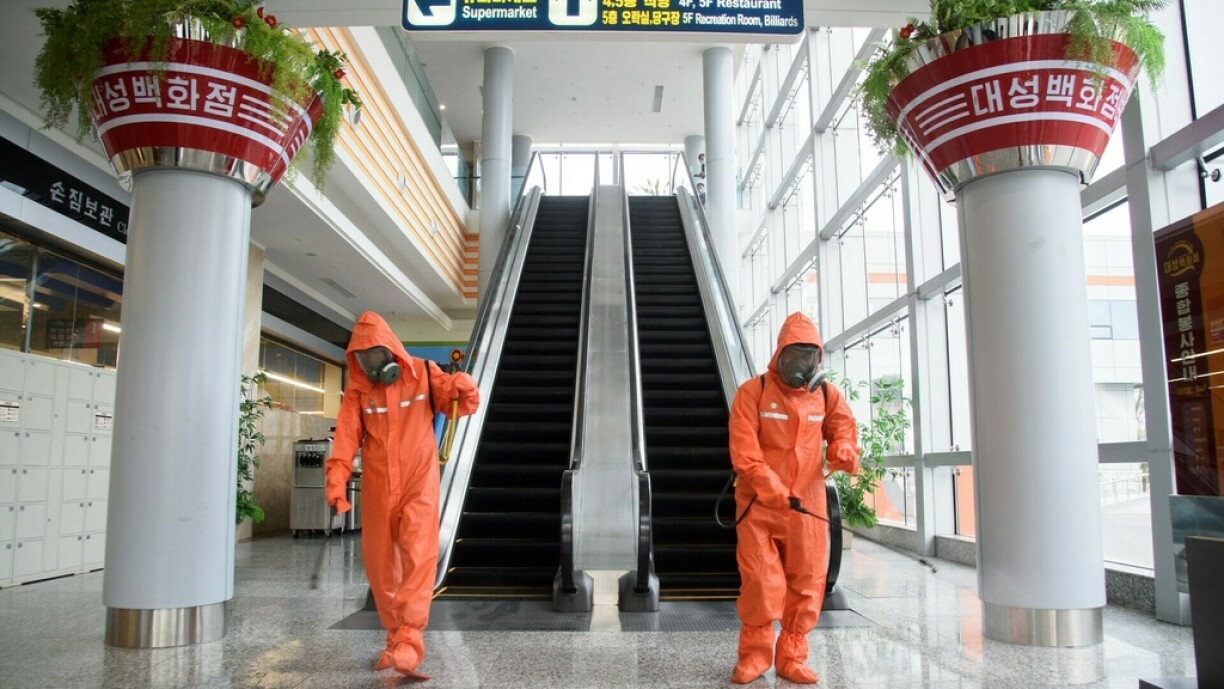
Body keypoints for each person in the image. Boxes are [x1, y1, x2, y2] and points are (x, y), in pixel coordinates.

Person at [325, 311, 480, 677]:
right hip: (378, 487)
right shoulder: (358, 391)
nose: (372, 364)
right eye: (364, 358)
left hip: (418, 483)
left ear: (392, 349)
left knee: (418, 555)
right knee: (382, 567)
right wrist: (336, 484)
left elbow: (463, 405)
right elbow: (345, 440)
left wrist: (464, 386)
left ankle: (410, 639)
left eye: (377, 354)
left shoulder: (424, 373)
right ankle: (396, 639)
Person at [727, 312, 859, 684]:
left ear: (818, 359)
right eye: (793, 357)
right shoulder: (752, 393)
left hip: (808, 507)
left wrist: (845, 450)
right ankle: (754, 657)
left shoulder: (826, 395)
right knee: (760, 583)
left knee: (807, 582)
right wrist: (772, 489)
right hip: (759, 508)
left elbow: (843, 429)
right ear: (779, 355)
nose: (800, 366)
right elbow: (745, 452)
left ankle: (792, 657)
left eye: (808, 357)